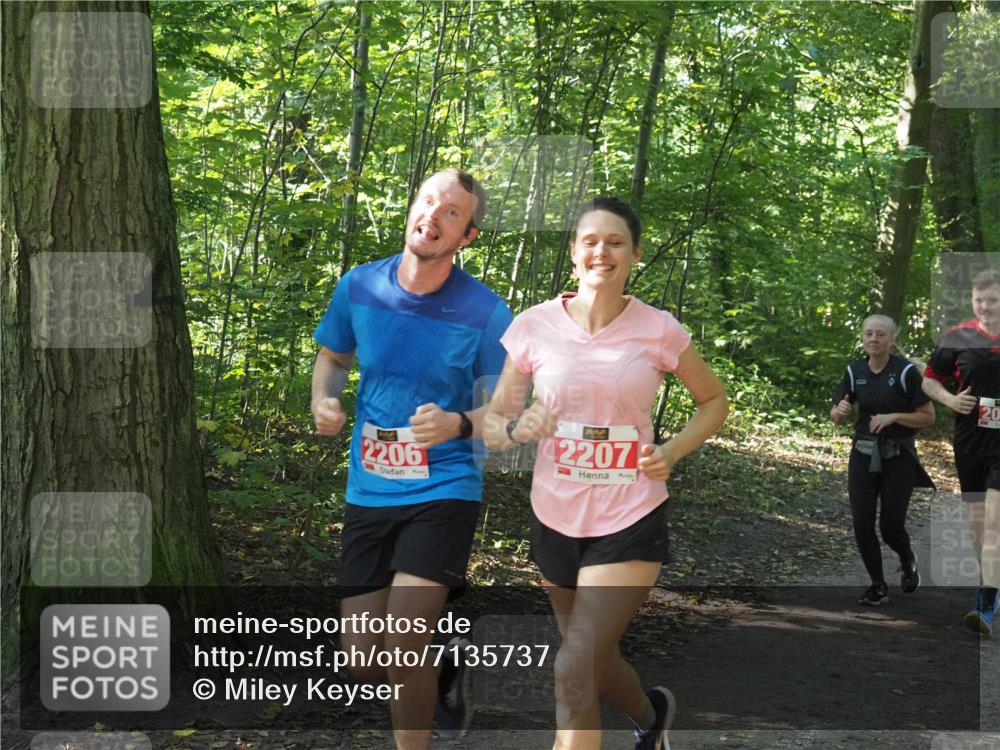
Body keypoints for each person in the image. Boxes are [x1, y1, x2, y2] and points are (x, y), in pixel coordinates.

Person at [483, 197, 728, 750]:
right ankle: (652, 715)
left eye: (615, 242)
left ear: (634, 254)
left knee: (572, 668)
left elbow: (713, 400)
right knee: (588, 658)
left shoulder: (659, 330)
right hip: (556, 514)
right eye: (590, 241)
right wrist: (524, 426)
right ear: (574, 253)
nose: (602, 251)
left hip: (630, 513)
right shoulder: (533, 326)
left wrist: (675, 448)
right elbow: (496, 423)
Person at [310, 168, 512, 748]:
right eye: (429, 201)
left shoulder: (486, 313)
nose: (435, 215)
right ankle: (447, 666)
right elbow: (332, 358)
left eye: (452, 212)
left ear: (467, 237)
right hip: (369, 486)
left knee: (402, 645)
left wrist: (459, 423)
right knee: (363, 663)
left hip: (444, 487)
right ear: (411, 208)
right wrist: (325, 399)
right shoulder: (359, 287)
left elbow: (507, 415)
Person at [830, 315, 935, 606]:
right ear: (862, 338)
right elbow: (838, 415)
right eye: (869, 334)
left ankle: (907, 557)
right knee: (862, 522)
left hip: (898, 457)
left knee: (890, 526)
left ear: (891, 339)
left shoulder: (906, 372)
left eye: (880, 334)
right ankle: (878, 585)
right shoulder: (854, 371)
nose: (874, 339)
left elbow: (928, 417)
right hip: (863, 454)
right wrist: (839, 412)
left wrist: (894, 416)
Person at [922, 268, 1000, 635]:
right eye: (979, 300)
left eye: (993, 300)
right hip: (969, 441)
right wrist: (951, 398)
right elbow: (929, 379)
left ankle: (984, 602)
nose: (985, 307)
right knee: (976, 524)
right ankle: (992, 583)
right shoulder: (957, 337)